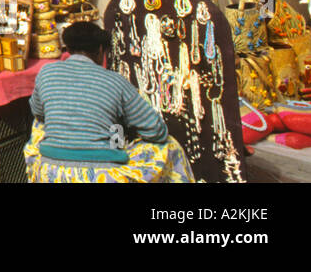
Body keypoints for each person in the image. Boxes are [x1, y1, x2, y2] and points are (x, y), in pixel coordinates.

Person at [24, 21, 193, 182]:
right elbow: (156, 130)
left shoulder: (46, 72)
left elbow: (37, 111)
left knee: (40, 124)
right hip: (101, 175)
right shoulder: (115, 81)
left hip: (50, 171)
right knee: (169, 145)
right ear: (100, 50)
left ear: (68, 49)